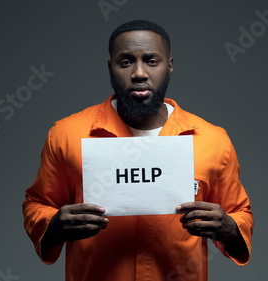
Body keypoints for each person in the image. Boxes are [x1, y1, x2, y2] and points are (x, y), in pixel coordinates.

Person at [22, 20, 253, 281]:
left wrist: (230, 228)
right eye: (126, 61)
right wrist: (54, 226)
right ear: (110, 68)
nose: (139, 73)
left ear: (170, 66)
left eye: (152, 61)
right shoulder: (66, 134)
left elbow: (240, 213)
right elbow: (37, 204)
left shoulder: (213, 139)